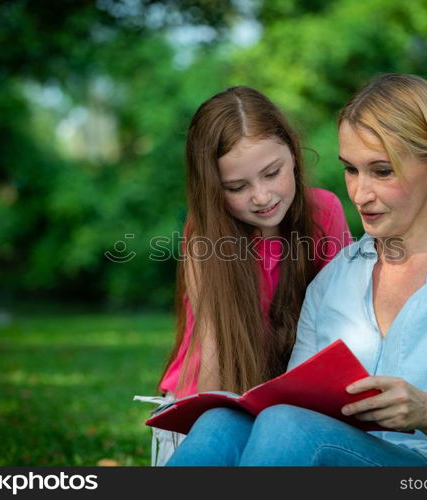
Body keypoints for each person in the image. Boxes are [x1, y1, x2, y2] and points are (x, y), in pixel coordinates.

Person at [167, 74, 427, 466]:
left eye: (382, 171)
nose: (360, 194)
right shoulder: (334, 279)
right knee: (219, 425)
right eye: (351, 169)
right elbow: (298, 404)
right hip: (343, 457)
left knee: (286, 427)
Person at [153, 86, 353, 464]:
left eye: (272, 173)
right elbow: (213, 346)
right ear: (213, 188)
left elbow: (338, 328)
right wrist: (207, 433)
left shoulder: (323, 212)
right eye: (237, 187)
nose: (261, 197)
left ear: (292, 155)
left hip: (286, 413)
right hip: (204, 406)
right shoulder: (207, 233)